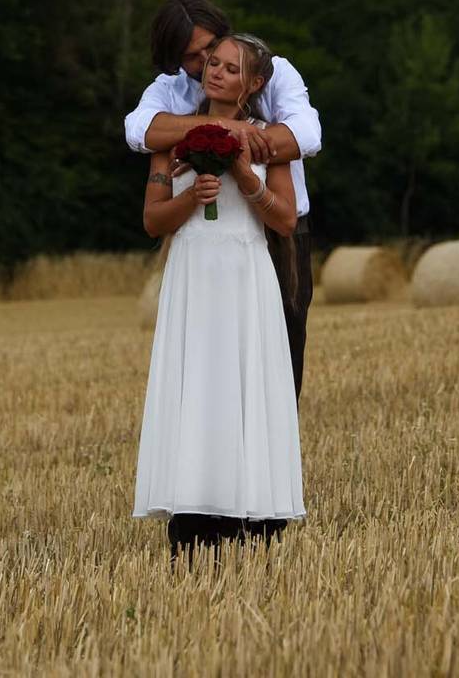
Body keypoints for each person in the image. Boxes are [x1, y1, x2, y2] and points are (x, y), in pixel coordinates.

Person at [132, 33, 306, 567]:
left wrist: (239, 174)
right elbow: (151, 221)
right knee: (196, 386)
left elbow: (284, 219)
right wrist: (190, 197)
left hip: (245, 271)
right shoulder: (170, 138)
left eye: (231, 69)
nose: (216, 73)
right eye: (212, 64)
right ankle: (194, 518)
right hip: (193, 270)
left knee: (245, 384)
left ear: (254, 84)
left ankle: (256, 513)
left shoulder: (267, 140)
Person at [122, 0, 321, 405]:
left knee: (280, 357)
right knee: (203, 368)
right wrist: (216, 126)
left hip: (277, 235)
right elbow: (139, 131)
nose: (208, 65)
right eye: (196, 58)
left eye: (212, 48)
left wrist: (245, 142)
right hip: (201, 245)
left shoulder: (272, 69)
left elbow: (306, 136)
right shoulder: (170, 88)